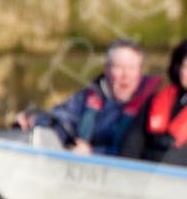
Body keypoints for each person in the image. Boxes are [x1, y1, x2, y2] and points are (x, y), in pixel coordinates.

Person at [16, 39, 161, 157]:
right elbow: (61, 119)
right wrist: (34, 119)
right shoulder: (88, 98)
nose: (125, 76)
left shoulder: (152, 105)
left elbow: (141, 152)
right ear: (106, 69)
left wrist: (93, 153)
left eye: (131, 68)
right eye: (118, 67)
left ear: (140, 71)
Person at [120, 36, 187, 183]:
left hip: (184, 186)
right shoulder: (155, 101)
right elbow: (131, 144)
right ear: (178, 69)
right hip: (144, 181)